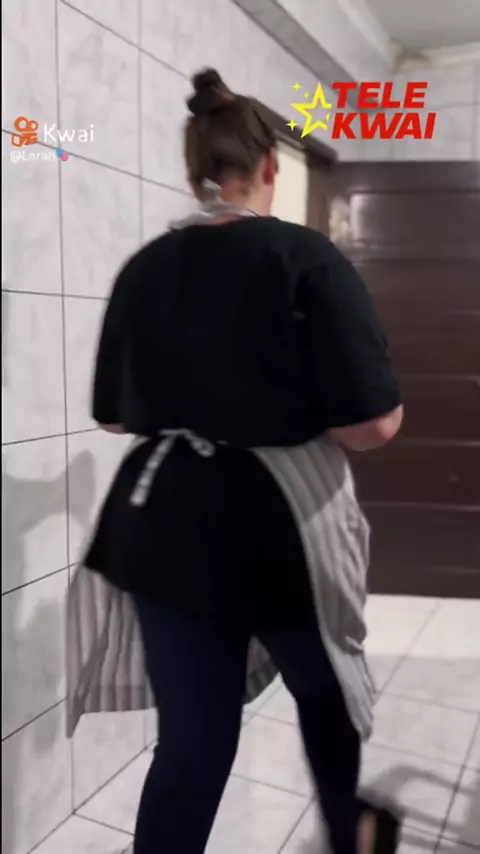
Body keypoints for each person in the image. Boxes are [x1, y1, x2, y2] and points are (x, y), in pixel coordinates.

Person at [76, 69, 404, 854]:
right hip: (276, 529)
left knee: (192, 740)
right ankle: (351, 834)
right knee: (324, 695)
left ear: (195, 169)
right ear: (268, 167)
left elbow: (114, 416)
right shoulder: (304, 258)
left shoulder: (145, 267)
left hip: (160, 524)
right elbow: (375, 425)